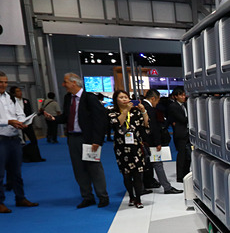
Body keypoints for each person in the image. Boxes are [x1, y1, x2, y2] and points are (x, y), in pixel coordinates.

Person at [44, 73, 110, 208]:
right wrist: (54, 119)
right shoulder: (68, 98)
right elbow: (66, 117)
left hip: (88, 140)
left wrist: (97, 140)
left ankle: (103, 196)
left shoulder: (90, 98)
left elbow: (100, 120)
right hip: (73, 139)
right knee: (79, 169)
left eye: (65, 82)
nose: (63, 85)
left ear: (74, 83)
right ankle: (87, 197)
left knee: (94, 169)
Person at [0, 72, 39, 213]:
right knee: (0, 174)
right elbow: (8, 119)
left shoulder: (11, 97)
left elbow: (20, 114)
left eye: (5, 82)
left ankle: (20, 198)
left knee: (16, 171)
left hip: (15, 139)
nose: (3, 85)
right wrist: (8, 121)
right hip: (1, 139)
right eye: (0, 82)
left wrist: (23, 122)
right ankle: (0, 202)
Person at [108, 90, 149, 208]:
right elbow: (117, 124)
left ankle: (138, 199)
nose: (124, 99)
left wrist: (143, 111)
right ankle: (131, 196)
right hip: (121, 147)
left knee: (138, 174)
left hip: (136, 146)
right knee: (126, 174)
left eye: (126, 97)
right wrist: (125, 110)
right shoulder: (112, 112)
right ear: (116, 100)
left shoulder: (135, 112)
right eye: (121, 97)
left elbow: (146, 125)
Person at [142, 90, 182, 195]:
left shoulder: (142, 106)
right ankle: (167, 187)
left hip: (144, 141)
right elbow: (153, 127)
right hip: (150, 142)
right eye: (158, 100)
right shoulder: (149, 109)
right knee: (157, 163)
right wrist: (157, 142)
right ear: (153, 98)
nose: (158, 103)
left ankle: (144, 185)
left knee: (147, 164)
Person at [11, 86, 44, 162]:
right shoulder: (12, 102)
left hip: (27, 123)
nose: (20, 92)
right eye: (17, 91)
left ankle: (36, 157)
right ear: (14, 93)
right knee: (22, 141)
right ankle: (24, 157)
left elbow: (29, 111)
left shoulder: (26, 101)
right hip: (18, 125)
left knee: (34, 140)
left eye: (20, 91)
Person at [168, 87, 191, 182]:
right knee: (181, 156)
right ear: (176, 96)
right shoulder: (173, 106)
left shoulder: (185, 105)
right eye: (181, 95)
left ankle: (186, 173)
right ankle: (180, 176)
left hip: (187, 133)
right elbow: (182, 119)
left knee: (188, 155)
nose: (183, 97)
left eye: (184, 95)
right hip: (180, 134)